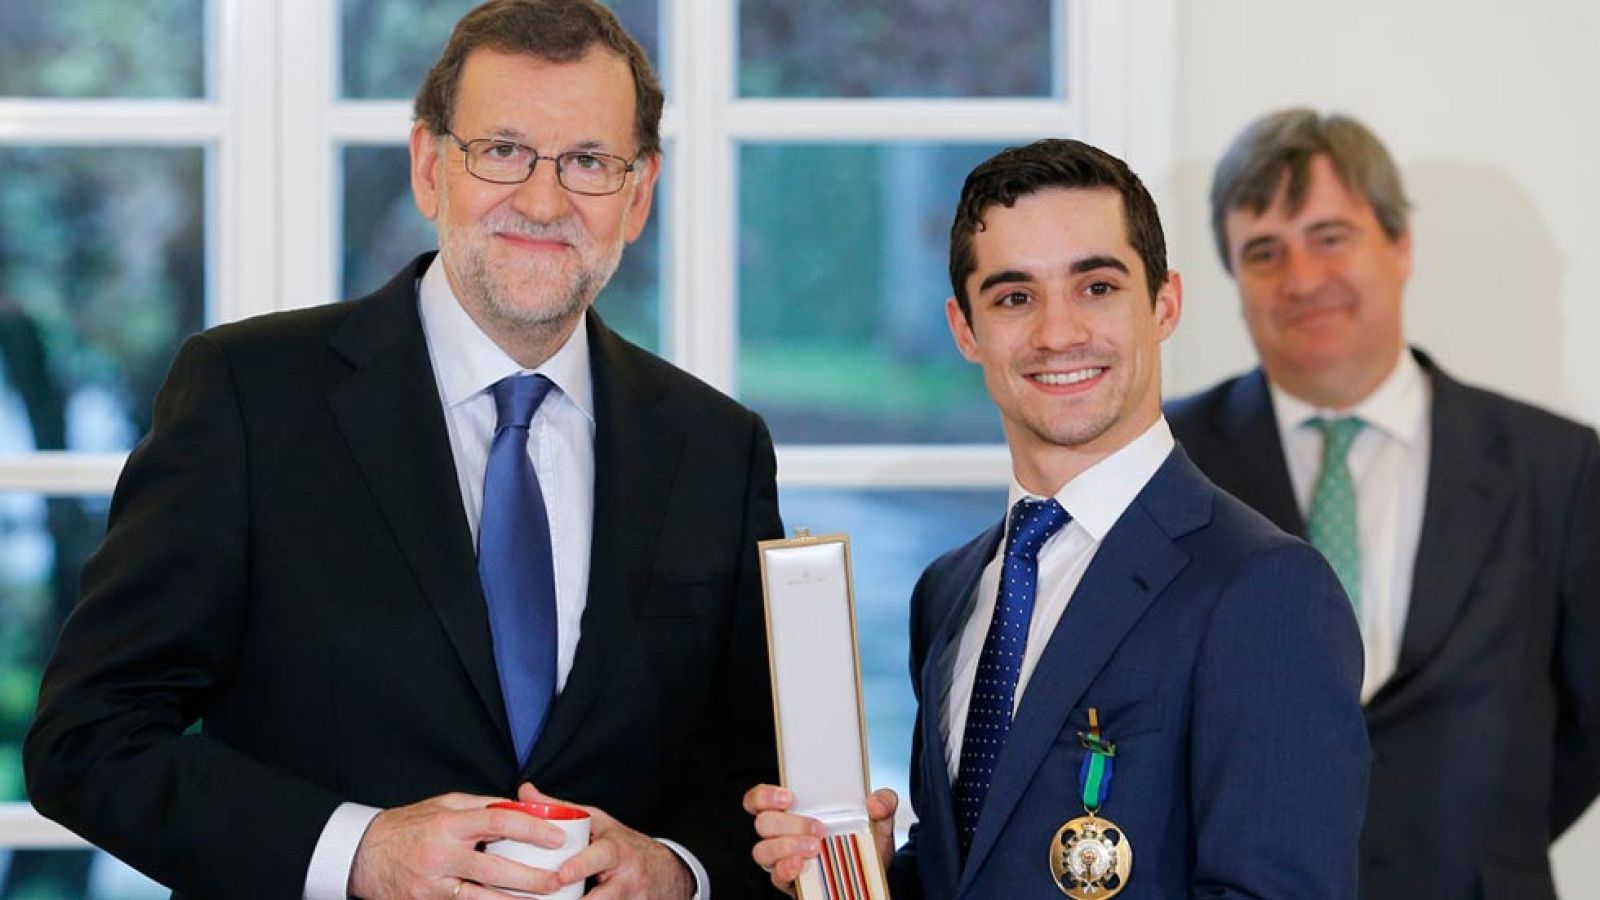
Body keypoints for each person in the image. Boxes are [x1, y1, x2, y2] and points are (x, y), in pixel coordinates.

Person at [23, 2, 783, 898]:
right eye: (501, 150)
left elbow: (762, 785)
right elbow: (91, 738)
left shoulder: (716, 447)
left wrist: (678, 872)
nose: (544, 201)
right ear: (429, 167)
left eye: (588, 161)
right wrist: (360, 852)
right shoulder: (249, 396)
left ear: (639, 193)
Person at [746, 139, 1369, 898]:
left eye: (1097, 287)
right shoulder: (949, 593)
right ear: (964, 329)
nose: (1058, 333)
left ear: (1164, 303)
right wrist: (866, 875)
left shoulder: (1265, 589)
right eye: (1014, 297)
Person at [1165, 108, 1600, 899]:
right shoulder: (1169, 461)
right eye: (1263, 252)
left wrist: (1481, 843)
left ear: (1399, 246)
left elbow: (1590, 722)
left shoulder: (1558, 466)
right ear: (1232, 282)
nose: (1301, 279)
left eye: (1329, 237)